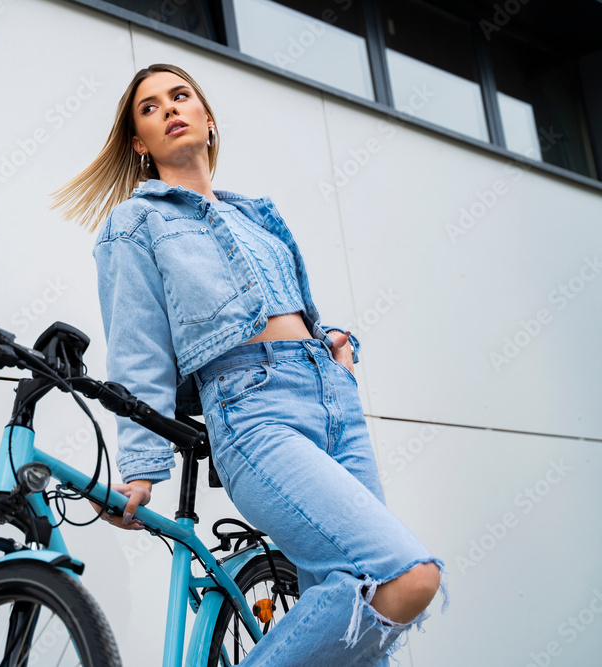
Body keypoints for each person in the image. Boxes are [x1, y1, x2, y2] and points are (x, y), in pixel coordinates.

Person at [51, 63, 447, 665]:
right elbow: (138, 350)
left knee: (355, 627)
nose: (170, 109)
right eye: (150, 108)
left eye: (181, 97)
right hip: (253, 413)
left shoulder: (257, 217)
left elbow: (288, 309)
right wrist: (139, 466)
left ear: (208, 120)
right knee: (407, 576)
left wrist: (331, 346)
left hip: (333, 401)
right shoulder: (137, 223)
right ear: (140, 143)